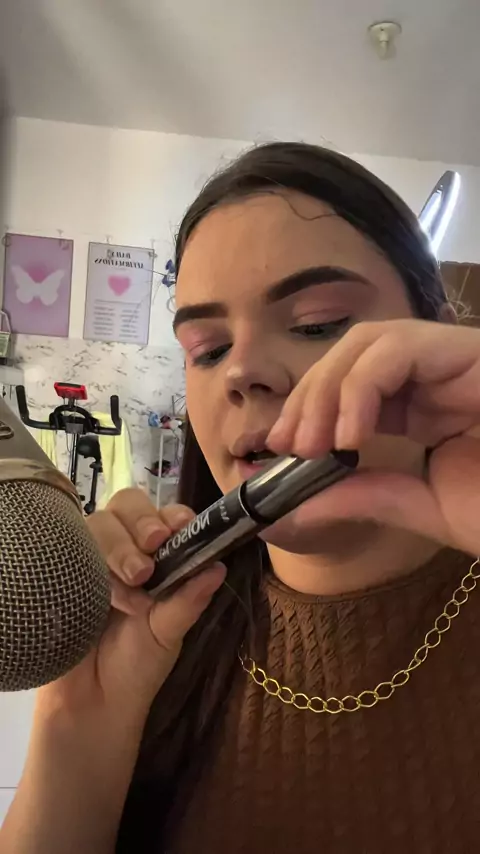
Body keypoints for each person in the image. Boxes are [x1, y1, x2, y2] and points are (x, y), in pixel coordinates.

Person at [3, 142, 480, 854]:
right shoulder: (165, 640)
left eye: (317, 322)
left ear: (435, 336)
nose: (243, 372)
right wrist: (81, 717)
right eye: (208, 349)